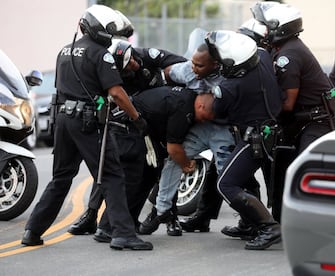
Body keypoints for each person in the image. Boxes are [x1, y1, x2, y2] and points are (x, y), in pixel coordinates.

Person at [21, 5, 152, 250]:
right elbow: (116, 92)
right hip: (87, 122)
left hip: (62, 119)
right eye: (110, 31)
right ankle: (123, 234)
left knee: (61, 177)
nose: (111, 36)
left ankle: (32, 230)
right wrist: (137, 118)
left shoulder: (65, 51)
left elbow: (63, 87)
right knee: (112, 175)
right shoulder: (100, 54)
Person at [67, 39, 187, 237]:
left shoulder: (148, 55)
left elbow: (183, 63)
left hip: (162, 117)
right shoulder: (111, 74)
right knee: (111, 165)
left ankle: (170, 217)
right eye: (127, 67)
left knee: (162, 167)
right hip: (131, 122)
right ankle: (91, 214)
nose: (133, 65)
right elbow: (100, 99)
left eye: (131, 59)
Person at [251, 2, 335, 222]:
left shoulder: (289, 55)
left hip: (318, 121)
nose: (265, 32)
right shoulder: (285, 49)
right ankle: (283, 222)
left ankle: (315, 223)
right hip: (302, 120)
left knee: (304, 168)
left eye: (267, 26)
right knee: (283, 166)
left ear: (280, 28)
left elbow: (287, 104)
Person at [138, 43, 242, 235]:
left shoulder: (230, 77)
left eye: (199, 66)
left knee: (230, 174)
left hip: (223, 129)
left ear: (216, 64)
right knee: (174, 160)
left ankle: (251, 220)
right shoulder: (187, 69)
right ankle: (160, 210)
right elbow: (167, 73)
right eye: (193, 63)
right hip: (196, 126)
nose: (194, 68)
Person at [205, 30, 284, 250]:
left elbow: (216, 112)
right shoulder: (262, 58)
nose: (219, 63)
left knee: (226, 184)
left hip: (254, 138)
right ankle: (250, 224)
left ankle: (268, 227)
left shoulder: (229, 88)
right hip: (270, 130)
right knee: (245, 179)